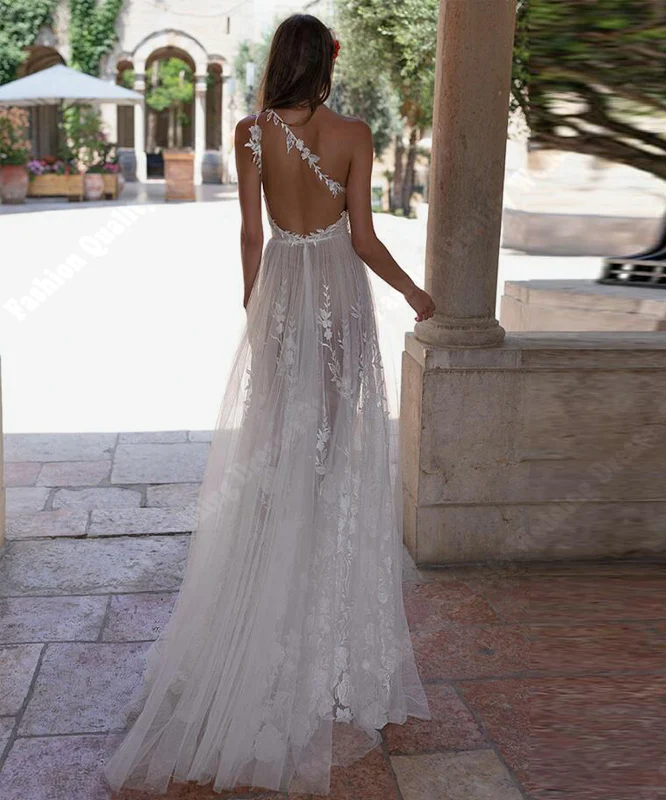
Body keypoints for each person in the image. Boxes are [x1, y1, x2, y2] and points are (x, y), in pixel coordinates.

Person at [102, 13, 435, 797]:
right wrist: (417, 293)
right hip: (341, 304)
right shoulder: (353, 133)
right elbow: (363, 240)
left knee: (278, 448)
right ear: (325, 62)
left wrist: (258, 315)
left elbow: (250, 235)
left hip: (283, 293)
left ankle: (265, 605)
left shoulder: (251, 134)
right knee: (333, 456)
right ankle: (313, 615)